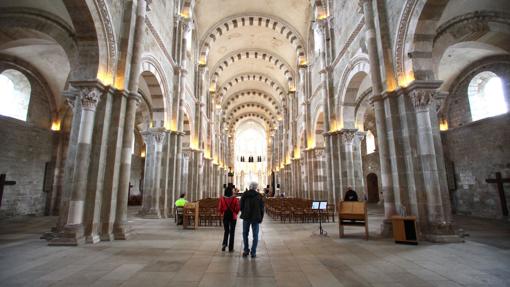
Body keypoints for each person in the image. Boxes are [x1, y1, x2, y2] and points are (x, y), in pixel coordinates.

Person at [240, 182, 264, 258]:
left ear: (249, 187)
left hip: (246, 217)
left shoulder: (245, 195)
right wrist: (261, 218)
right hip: (256, 218)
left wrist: (244, 212)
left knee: (245, 234)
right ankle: (253, 252)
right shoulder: (259, 196)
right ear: (256, 187)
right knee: (255, 235)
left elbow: (240, 206)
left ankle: (246, 250)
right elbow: (262, 209)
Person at [218, 186, 240, 252]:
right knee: (232, 232)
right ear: (231, 192)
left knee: (226, 231)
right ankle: (231, 248)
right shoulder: (235, 199)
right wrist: (235, 213)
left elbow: (220, 208)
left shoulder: (222, 199)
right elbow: (238, 208)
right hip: (233, 216)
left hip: (225, 216)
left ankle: (224, 244)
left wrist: (222, 212)